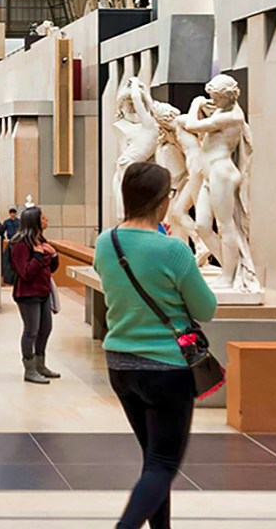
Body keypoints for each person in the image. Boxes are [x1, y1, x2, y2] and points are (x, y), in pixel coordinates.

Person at [93, 161, 217, 529]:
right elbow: (205, 308)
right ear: (162, 202)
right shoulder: (174, 251)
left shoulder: (106, 242)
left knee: (152, 460)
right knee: (163, 464)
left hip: (121, 365)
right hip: (166, 368)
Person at [9, 205, 60, 383]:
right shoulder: (20, 244)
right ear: (35, 221)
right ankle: (29, 369)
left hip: (43, 291)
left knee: (45, 328)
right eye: (43, 218)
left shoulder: (41, 240)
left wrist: (53, 256)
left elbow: (51, 268)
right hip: (27, 294)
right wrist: (39, 257)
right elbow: (26, 272)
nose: (47, 220)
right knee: (31, 331)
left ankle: (40, 364)